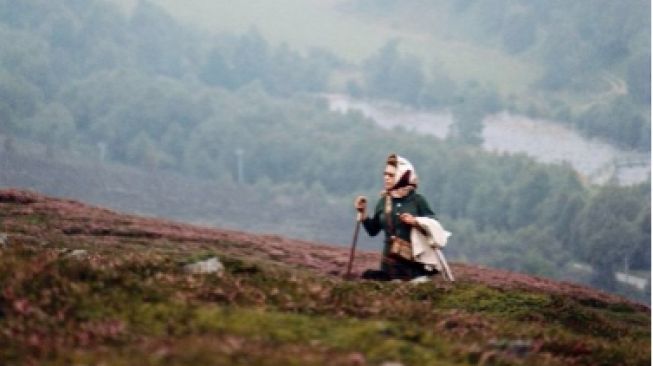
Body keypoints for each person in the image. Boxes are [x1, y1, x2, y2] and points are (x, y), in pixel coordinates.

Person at [354, 153, 439, 282]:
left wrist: (416, 221)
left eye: (391, 175)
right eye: (385, 174)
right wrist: (363, 213)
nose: (386, 178)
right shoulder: (383, 201)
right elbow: (373, 230)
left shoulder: (417, 201)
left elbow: (434, 226)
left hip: (414, 268)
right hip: (389, 268)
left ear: (402, 176)